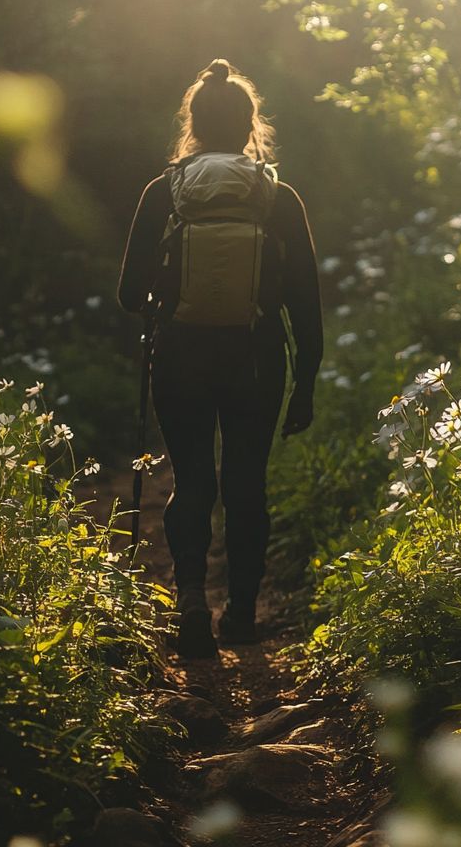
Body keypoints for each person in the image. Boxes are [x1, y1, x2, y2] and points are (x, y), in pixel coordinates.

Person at [117, 59, 322, 658]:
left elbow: (130, 296)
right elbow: (306, 302)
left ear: (195, 125)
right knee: (245, 485)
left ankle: (188, 605)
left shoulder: (166, 191)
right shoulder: (277, 196)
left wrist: (169, 289)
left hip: (181, 355)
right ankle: (240, 614)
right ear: (250, 125)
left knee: (193, 481)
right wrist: (305, 383)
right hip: (255, 359)